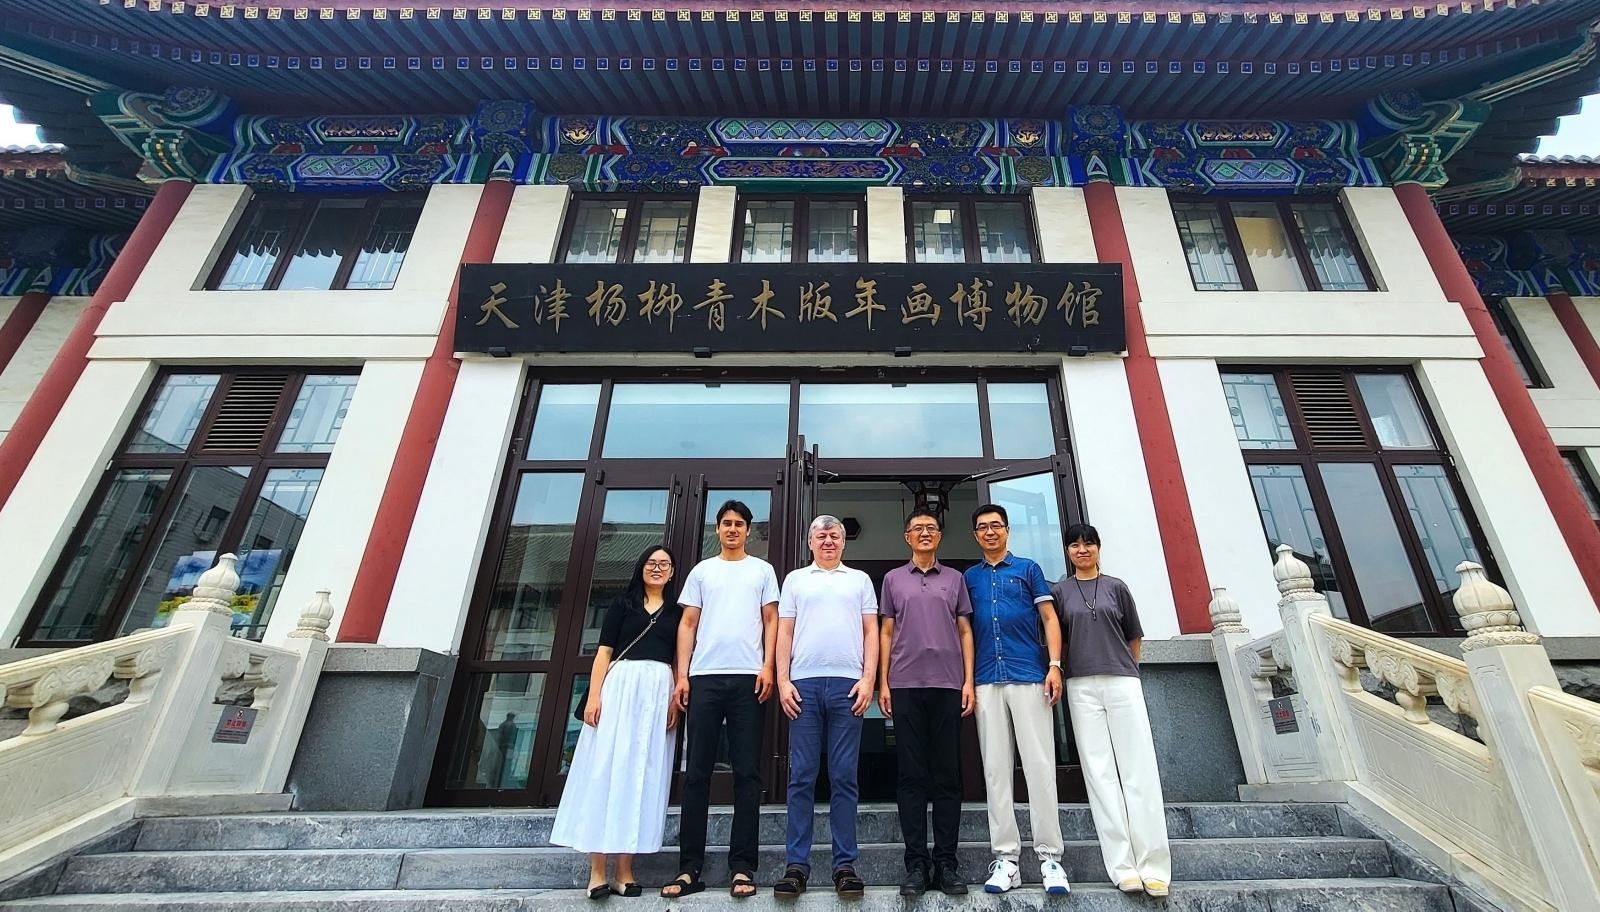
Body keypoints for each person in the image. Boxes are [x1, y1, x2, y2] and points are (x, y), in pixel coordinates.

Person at [663, 500, 780, 900]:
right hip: (704, 678)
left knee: (747, 774)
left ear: (748, 530)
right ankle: (689, 868)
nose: (732, 529)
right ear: (717, 529)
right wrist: (682, 675)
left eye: (739, 524)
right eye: (726, 523)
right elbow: (688, 623)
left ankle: (742, 866)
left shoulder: (762, 570)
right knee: (697, 773)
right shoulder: (702, 571)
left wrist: (768, 666)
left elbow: (771, 620)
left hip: (749, 677)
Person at [550, 545, 682, 900]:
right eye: (651, 563)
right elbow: (604, 653)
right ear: (641, 568)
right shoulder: (622, 605)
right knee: (605, 771)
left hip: (656, 693)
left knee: (641, 775)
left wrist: (674, 698)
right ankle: (597, 871)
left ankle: (625, 870)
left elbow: (677, 659)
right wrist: (595, 695)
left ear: (672, 572)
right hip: (620, 689)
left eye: (664, 564)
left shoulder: (677, 612)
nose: (657, 568)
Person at [1050, 523, 1171, 898]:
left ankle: (1154, 866)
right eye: (1075, 544)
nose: (1082, 550)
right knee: (1099, 775)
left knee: (1138, 770)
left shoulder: (1117, 587)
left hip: (1122, 682)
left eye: (1088, 543)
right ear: (1067, 551)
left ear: (1099, 548)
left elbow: (1134, 636)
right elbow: (1059, 640)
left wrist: (1129, 670)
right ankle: (1122, 868)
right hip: (1081, 686)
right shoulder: (1060, 592)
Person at [965, 503, 1071, 896]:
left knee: (1039, 765)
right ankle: (1006, 859)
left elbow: (1049, 618)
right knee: (995, 770)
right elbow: (964, 631)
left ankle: (1050, 858)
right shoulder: (969, 578)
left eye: (996, 525)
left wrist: (1055, 665)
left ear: (1007, 530)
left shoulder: (1028, 569)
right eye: (982, 527)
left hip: (1028, 675)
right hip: (986, 680)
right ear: (975, 535)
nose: (990, 532)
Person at [772, 515, 879, 899]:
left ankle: (844, 865)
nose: (828, 540)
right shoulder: (796, 580)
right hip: (803, 685)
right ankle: (796, 866)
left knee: (844, 776)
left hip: (848, 685)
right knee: (801, 775)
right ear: (810, 542)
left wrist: (868, 679)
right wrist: (783, 680)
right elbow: (784, 631)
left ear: (844, 542)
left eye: (835, 535)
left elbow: (871, 630)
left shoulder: (859, 580)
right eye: (821, 535)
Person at [877, 508, 975, 897]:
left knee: (947, 775)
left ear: (939, 536)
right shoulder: (892, 579)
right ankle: (916, 863)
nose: (924, 533)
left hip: (948, 684)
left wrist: (968, 681)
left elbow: (965, 630)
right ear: (906, 537)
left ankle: (946, 863)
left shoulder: (955, 579)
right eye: (917, 528)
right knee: (911, 775)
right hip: (904, 684)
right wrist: (883, 682)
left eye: (930, 528)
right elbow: (886, 631)